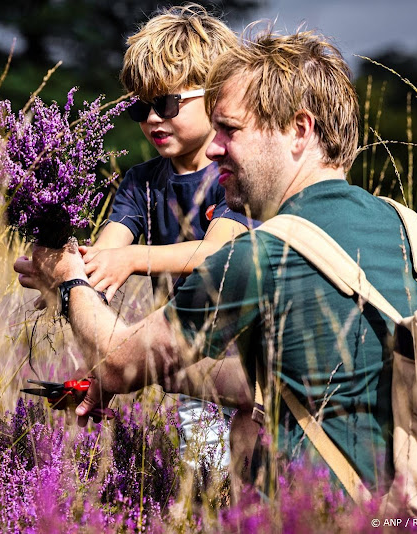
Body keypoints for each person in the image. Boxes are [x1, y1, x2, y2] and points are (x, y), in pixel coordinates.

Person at [14, 27, 417, 496]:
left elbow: (118, 363)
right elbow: (284, 380)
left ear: (299, 131)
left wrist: (67, 280)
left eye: (230, 130)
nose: (215, 147)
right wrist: (158, 370)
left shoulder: (256, 256)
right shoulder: (414, 233)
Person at [82, 3, 252, 474]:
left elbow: (217, 250)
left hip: (253, 362)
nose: (153, 118)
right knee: (205, 483)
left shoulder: (235, 175)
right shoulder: (141, 181)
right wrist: (71, 274)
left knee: (256, 482)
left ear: (216, 98)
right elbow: (107, 251)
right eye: (141, 106)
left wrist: (135, 258)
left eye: (168, 104)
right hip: (188, 359)